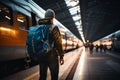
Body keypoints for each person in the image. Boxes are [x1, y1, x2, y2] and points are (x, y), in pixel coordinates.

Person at [38, 9, 64, 80]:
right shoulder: (54, 27)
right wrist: (61, 55)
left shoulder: (39, 28)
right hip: (52, 56)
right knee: (54, 76)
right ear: (53, 18)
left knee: (42, 76)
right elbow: (58, 42)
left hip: (42, 55)